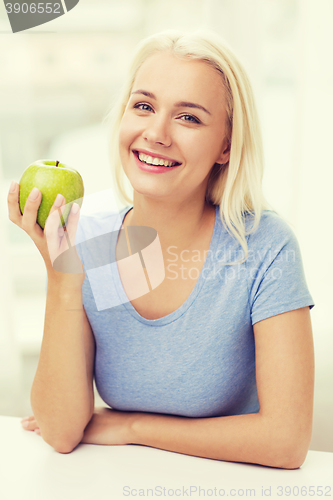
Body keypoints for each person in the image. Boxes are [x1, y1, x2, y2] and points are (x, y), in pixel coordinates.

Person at [8, 29, 315, 469]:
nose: (156, 133)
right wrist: (62, 276)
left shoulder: (264, 246)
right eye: (144, 106)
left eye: (188, 118)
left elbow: (285, 441)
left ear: (226, 146)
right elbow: (59, 430)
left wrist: (133, 427)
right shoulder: (86, 244)